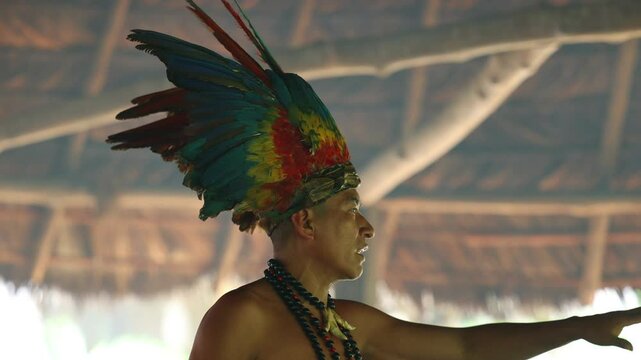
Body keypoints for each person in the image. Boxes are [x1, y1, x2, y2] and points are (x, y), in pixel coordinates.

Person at [107, 1, 641, 359]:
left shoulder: (349, 323)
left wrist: (578, 328)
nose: (367, 229)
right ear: (307, 221)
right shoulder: (241, 318)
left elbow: (465, 350)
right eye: (350, 208)